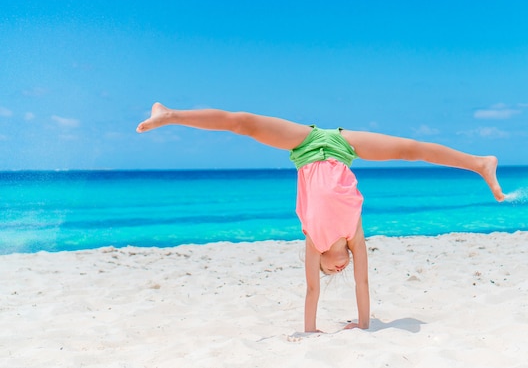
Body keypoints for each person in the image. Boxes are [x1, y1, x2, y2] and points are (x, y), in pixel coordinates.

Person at [136, 102, 505, 333]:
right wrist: (363, 325)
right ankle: (479, 164)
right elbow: (364, 285)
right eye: (338, 272)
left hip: (305, 143)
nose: (338, 271)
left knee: (244, 122)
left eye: (331, 271)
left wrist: (310, 331)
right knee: (412, 150)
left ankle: (479, 163)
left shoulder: (313, 239)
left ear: (322, 261)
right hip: (345, 146)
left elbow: (311, 290)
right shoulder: (355, 237)